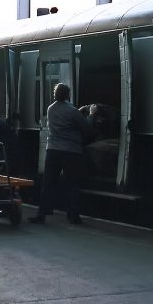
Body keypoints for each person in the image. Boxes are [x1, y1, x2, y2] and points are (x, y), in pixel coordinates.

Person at [29, 83, 96, 225]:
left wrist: (78, 111)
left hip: (53, 150)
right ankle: (73, 216)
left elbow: (64, 118)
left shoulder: (51, 108)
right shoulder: (72, 111)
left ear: (55, 95)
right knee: (71, 183)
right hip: (71, 151)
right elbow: (86, 128)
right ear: (68, 95)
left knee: (48, 183)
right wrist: (91, 114)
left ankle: (42, 214)